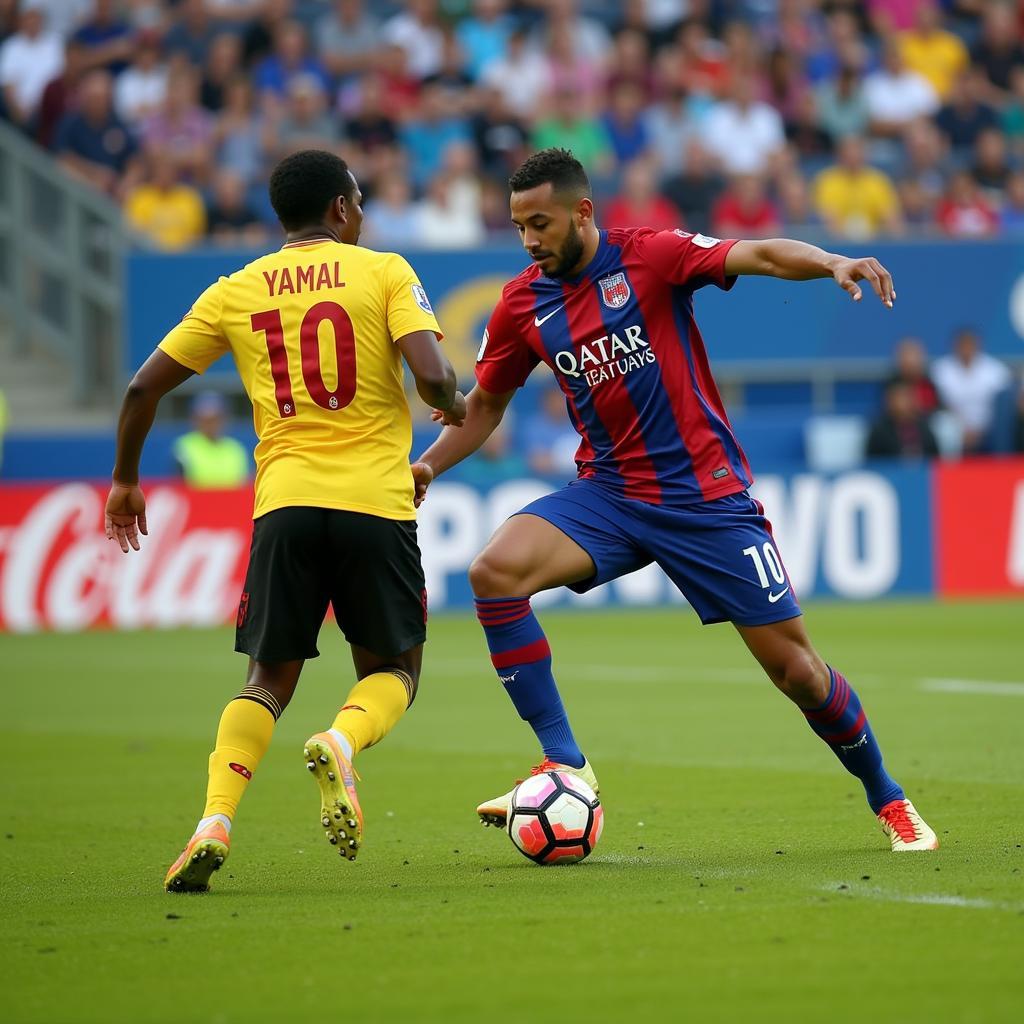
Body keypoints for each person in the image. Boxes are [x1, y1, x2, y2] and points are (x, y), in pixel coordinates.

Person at [412, 147, 938, 853]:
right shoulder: (520, 303)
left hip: (704, 497)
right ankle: (565, 761)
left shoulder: (652, 257)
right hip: (609, 494)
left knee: (800, 673)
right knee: (493, 573)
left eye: (541, 223)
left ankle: (889, 797)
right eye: (519, 226)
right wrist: (428, 466)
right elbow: (483, 408)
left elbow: (760, 257)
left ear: (582, 212)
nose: (530, 239)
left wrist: (831, 263)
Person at [104, 149, 465, 893]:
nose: (363, 214)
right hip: (375, 504)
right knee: (396, 669)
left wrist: (125, 480)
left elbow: (144, 387)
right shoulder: (386, 271)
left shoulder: (235, 289)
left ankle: (214, 818)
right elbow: (431, 374)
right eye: (358, 201)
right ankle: (340, 738)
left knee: (267, 678)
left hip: (286, 505)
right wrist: (455, 405)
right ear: (339, 209)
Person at [932, 327, 1012, 453]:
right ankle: (947, 468)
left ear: (978, 345)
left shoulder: (995, 370)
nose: (966, 349)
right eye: (963, 345)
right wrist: (962, 430)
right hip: (955, 430)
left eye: (970, 344)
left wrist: (980, 431)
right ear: (955, 346)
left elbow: (1004, 406)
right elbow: (939, 405)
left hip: (989, 429)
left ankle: (1003, 464)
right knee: (943, 426)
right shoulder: (941, 370)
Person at [173, 391, 251, 486]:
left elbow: (244, 485)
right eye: (205, 419)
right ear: (196, 419)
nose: (210, 424)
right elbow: (180, 485)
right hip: (196, 500)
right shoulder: (184, 446)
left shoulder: (236, 449)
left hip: (231, 500)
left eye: (215, 418)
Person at [865, 381, 940, 459]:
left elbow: (936, 458)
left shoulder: (924, 427)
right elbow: (872, 462)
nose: (902, 403)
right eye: (898, 397)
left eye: (907, 397)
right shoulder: (879, 431)